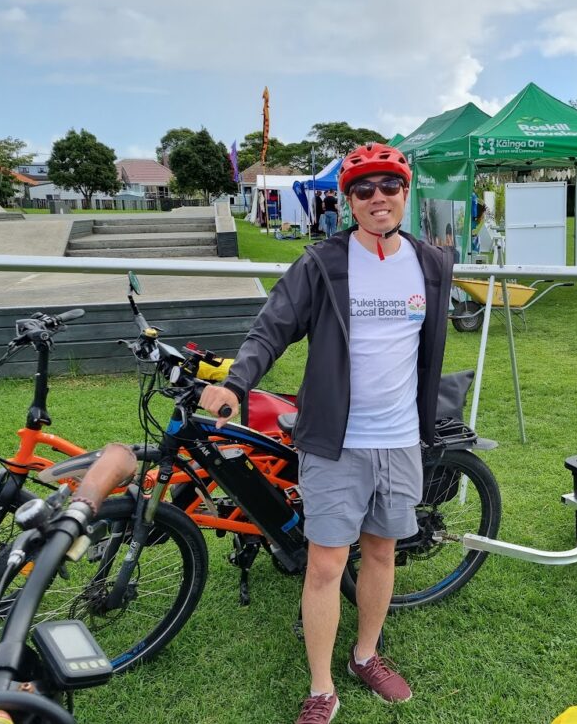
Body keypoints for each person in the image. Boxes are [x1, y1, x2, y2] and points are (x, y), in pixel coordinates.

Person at [199, 142, 453, 724]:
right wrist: (236, 384)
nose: (377, 198)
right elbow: (272, 327)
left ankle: (366, 654)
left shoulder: (432, 264)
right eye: (363, 189)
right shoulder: (323, 263)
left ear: (405, 193)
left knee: (383, 551)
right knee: (324, 565)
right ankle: (321, 688)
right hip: (336, 442)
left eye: (389, 186)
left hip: (401, 438)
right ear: (348, 200)